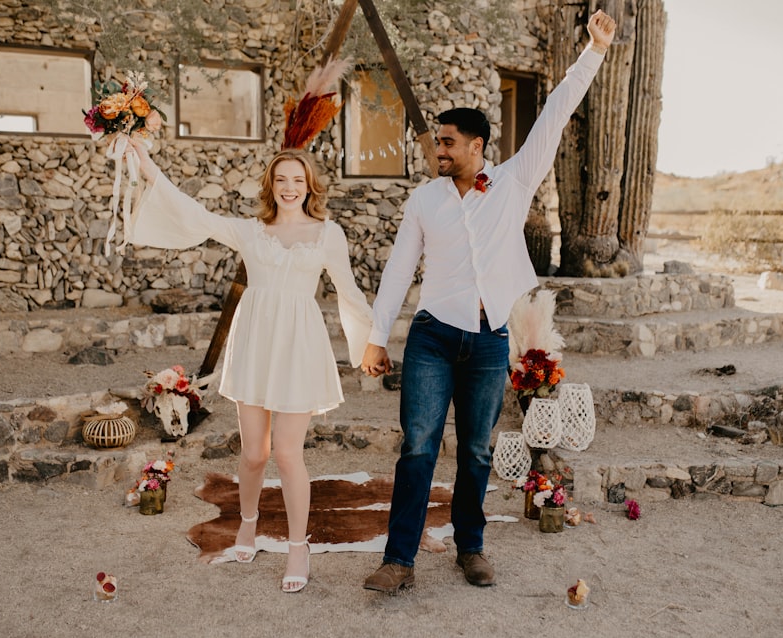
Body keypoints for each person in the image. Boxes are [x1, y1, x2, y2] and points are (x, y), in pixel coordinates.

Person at [360, 9, 617, 593]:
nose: (438, 151)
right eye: (437, 142)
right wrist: (378, 336)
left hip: (489, 339)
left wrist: (594, 52)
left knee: (476, 451)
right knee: (419, 447)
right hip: (431, 336)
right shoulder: (424, 201)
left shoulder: (515, 180)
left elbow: (555, 112)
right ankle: (398, 561)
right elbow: (400, 268)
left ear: (477, 145)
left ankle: (470, 548)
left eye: (447, 142)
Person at [128, 144, 373, 593]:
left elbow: (348, 292)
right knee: (255, 453)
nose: (289, 188)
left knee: (287, 452)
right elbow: (196, 215)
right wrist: (148, 168)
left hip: (299, 346)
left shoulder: (327, 234)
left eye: (298, 180)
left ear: (310, 185)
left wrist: (371, 343)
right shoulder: (250, 231)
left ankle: (298, 547)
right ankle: (247, 524)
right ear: (270, 185)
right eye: (281, 180)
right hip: (257, 344)